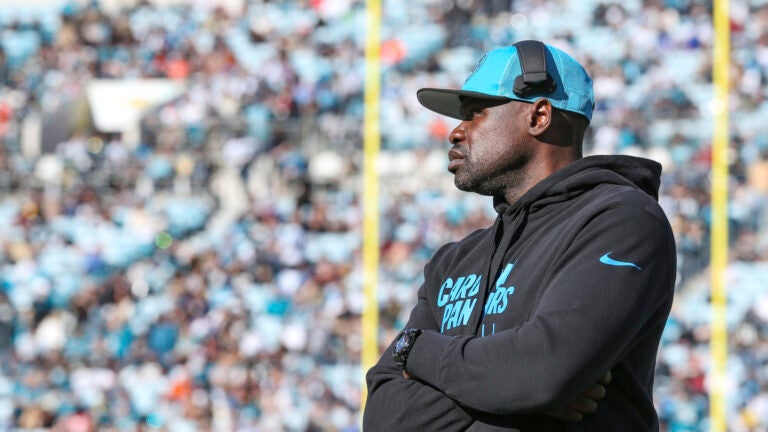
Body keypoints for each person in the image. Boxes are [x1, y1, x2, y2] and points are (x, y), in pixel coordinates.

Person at [363, 40, 677, 431]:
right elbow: (383, 418)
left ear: (539, 115)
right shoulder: (454, 260)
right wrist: (511, 394)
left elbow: (541, 373)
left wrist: (416, 349)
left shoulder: (621, 220)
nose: (455, 132)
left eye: (475, 113)